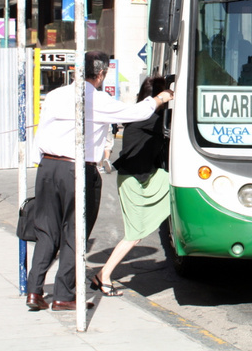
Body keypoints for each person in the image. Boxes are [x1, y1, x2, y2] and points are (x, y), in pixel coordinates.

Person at [25, 52, 174, 312]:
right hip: (77, 170)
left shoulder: (56, 95)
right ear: (102, 74)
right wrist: (161, 97)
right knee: (75, 233)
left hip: (47, 166)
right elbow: (136, 112)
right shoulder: (96, 99)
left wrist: (43, 161)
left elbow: (41, 130)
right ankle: (63, 295)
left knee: (46, 232)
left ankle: (34, 291)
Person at [91, 76, 171, 296]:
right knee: (134, 234)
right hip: (132, 180)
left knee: (176, 185)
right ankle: (104, 275)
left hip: (147, 176)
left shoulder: (148, 116)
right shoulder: (147, 118)